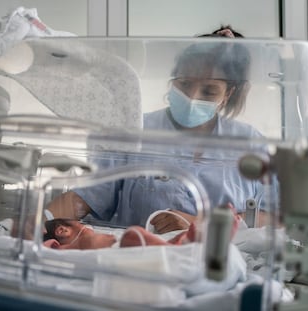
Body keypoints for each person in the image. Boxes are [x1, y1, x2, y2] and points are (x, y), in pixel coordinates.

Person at [45, 26, 268, 233]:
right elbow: (86, 197)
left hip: (219, 262)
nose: (193, 97)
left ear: (228, 94)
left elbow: (272, 215)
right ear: (172, 80)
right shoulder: (135, 131)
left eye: (209, 91)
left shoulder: (250, 143)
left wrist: (199, 224)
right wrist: (39, 220)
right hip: (141, 258)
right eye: (185, 84)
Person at [42, 205, 241, 250]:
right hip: (121, 249)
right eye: (81, 224)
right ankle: (185, 242)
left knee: (137, 236)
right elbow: (46, 248)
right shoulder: (68, 247)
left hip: (125, 250)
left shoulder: (82, 242)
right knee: (133, 234)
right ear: (62, 231)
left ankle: (185, 240)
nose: (86, 226)